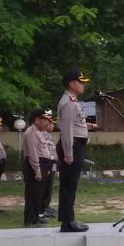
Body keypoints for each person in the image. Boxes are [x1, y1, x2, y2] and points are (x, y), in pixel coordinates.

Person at [57, 69, 92, 232]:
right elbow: (67, 130)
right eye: (80, 82)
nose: (83, 86)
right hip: (72, 147)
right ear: (72, 84)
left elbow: (74, 124)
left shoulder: (72, 101)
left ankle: (68, 219)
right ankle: (67, 222)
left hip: (76, 145)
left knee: (70, 185)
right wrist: (68, 153)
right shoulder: (69, 102)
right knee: (68, 185)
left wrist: (86, 127)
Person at [22, 111, 48, 226]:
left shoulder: (39, 132)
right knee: (33, 193)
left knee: (39, 193)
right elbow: (33, 153)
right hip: (34, 164)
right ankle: (30, 219)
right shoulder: (31, 132)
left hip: (42, 163)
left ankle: (36, 216)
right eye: (44, 119)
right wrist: (37, 171)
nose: (46, 122)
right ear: (37, 120)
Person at [38, 111, 58, 219]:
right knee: (44, 186)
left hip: (52, 163)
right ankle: (42, 207)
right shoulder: (41, 135)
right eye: (51, 123)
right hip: (47, 163)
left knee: (49, 185)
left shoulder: (49, 136)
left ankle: (46, 205)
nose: (52, 125)